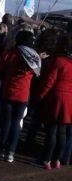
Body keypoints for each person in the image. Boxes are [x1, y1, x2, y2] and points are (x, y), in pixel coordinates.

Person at [0, 30, 40, 162]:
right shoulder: (35, 56)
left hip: (8, 91)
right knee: (16, 123)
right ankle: (11, 152)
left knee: (6, 121)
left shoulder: (10, 52)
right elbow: (38, 74)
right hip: (23, 94)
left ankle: (1, 150)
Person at [36, 34, 72, 169]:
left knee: (51, 131)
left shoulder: (57, 61)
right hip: (69, 99)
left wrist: (40, 96)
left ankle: (46, 159)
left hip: (55, 97)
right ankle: (56, 160)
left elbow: (49, 82)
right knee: (62, 131)